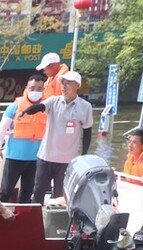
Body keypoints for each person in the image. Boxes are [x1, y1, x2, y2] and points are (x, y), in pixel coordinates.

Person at [21, 71, 94, 203]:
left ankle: (57, 220)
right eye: (62, 83)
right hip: (46, 156)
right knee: (38, 191)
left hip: (67, 160)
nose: (63, 86)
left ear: (77, 85)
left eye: (68, 83)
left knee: (60, 195)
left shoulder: (85, 107)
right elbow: (40, 107)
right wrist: (26, 111)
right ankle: (35, 220)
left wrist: (84, 155)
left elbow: (87, 132)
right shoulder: (54, 101)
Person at [0, 73, 47, 203]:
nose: (36, 91)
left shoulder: (47, 107)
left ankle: (23, 219)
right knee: (6, 191)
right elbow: (2, 128)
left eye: (39, 88)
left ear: (44, 89)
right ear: (26, 88)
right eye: (32, 88)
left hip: (35, 158)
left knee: (27, 193)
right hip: (15, 157)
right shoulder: (15, 106)